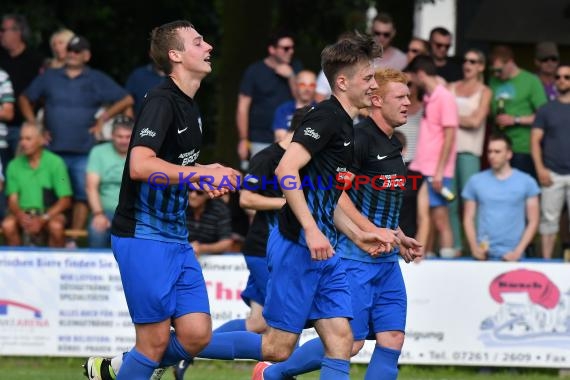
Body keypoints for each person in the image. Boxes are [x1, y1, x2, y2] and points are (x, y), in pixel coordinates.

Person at [83, 20, 239, 380]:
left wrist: (205, 168)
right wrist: (200, 175)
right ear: (176, 55)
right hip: (143, 236)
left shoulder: (190, 106)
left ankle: (120, 367)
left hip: (176, 237)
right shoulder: (161, 101)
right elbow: (140, 165)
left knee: (197, 334)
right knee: (152, 344)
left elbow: (170, 164)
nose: (208, 47)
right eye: (198, 42)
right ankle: (130, 366)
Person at [256, 68, 421, 380]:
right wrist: (367, 231)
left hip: (386, 261)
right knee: (349, 342)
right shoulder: (357, 139)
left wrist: (398, 236)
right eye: (400, 97)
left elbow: (378, 202)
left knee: (392, 338)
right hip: (353, 257)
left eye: (409, 97)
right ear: (377, 100)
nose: (407, 103)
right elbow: (336, 194)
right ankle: (273, 372)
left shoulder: (392, 146)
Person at [173, 106, 310, 380]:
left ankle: (185, 350)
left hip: (282, 249)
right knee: (286, 319)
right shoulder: (267, 158)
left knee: (258, 322)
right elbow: (246, 199)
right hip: (264, 250)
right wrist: (289, 202)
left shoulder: (305, 160)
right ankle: (278, 372)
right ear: (303, 131)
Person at [19, 35, 134, 239]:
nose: (72, 54)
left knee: (82, 195)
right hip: (52, 150)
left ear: (86, 55)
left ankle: (72, 240)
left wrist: (104, 118)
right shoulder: (50, 76)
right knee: (53, 195)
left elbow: (126, 99)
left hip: (84, 150)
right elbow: (25, 98)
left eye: (77, 51)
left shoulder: (96, 78)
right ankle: (52, 238)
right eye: (70, 50)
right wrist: (36, 126)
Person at [406, 55, 459, 258]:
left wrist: (439, 172)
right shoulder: (429, 96)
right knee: (424, 217)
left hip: (437, 170)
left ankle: (447, 263)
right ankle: (425, 257)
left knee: (440, 219)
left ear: (420, 74)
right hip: (422, 166)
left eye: (412, 79)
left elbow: (449, 136)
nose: (412, 85)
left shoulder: (444, 97)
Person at [463, 134, 540, 261]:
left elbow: (533, 220)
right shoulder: (475, 181)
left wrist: (518, 251)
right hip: (484, 254)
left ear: (509, 154)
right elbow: (468, 218)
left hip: (514, 255)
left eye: (497, 152)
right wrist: (474, 248)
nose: (492, 156)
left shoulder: (527, 181)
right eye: (489, 151)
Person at [447, 49, 492, 256]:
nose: (468, 64)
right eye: (466, 60)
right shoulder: (451, 87)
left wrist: (451, 118)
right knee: (450, 201)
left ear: (481, 66)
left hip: (469, 152)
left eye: (473, 61)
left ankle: (475, 247)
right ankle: (455, 246)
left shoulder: (485, 91)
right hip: (447, 152)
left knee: (471, 202)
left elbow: (476, 121)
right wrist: (462, 119)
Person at [236, 31, 301, 167]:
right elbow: (243, 107)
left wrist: (291, 77)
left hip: (289, 138)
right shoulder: (254, 71)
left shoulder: (295, 67)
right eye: (285, 48)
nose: (291, 51)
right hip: (259, 138)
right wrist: (243, 139)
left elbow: (302, 99)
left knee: (286, 182)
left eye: (292, 47)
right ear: (272, 50)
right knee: (257, 184)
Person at [1, 122, 72, 247]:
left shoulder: (56, 163)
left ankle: (55, 265)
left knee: (56, 226)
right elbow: (12, 200)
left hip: (49, 212)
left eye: (28, 139)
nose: (23, 143)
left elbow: (65, 200)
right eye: (22, 139)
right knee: (8, 225)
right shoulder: (14, 165)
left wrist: (43, 218)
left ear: (42, 140)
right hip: (23, 213)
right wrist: (20, 215)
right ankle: (17, 264)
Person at [488, 45, 547, 179]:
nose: (496, 74)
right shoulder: (493, 80)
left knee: (520, 191)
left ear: (510, 62)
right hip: (498, 147)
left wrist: (515, 119)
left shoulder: (531, 80)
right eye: (493, 71)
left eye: (499, 70)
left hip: (522, 148)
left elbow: (544, 116)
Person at [531, 64, 570, 259]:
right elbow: (535, 140)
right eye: (558, 77)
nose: (562, 80)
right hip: (552, 173)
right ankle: (546, 264)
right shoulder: (546, 109)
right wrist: (540, 168)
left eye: (566, 77)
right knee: (548, 222)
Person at [86, 115, 133, 248]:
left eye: (128, 136)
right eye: (119, 136)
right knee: (96, 231)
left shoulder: (140, 153)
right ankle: (95, 269)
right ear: (112, 135)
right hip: (105, 211)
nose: (124, 141)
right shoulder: (98, 152)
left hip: (134, 212)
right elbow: (91, 187)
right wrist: (98, 214)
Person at [0, 14, 44, 158]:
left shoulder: (35, 60)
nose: (0, 34)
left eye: (2, 30)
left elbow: (43, 95)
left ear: (17, 32)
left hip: (23, 129)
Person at [272, 70, 317, 142]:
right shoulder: (283, 109)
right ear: (296, 86)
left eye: (311, 85)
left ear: (316, 87)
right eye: (302, 84)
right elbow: (280, 140)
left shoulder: (321, 110)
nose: (307, 89)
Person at [186, 190, 233, 255]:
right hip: (181, 254)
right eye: (190, 190)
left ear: (208, 194)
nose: (193, 195)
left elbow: (226, 243)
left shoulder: (219, 209)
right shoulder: (179, 208)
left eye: (199, 192)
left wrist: (201, 248)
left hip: (212, 259)